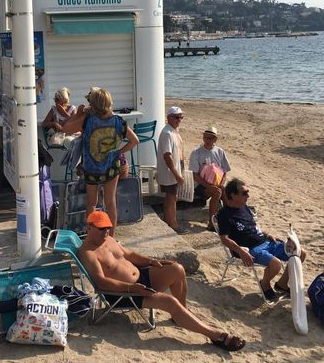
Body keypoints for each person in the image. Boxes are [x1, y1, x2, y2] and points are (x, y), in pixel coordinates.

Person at [79, 211, 246, 352]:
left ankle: (181, 315)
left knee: (177, 269)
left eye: (107, 227)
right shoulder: (88, 253)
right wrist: (133, 288)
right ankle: (215, 336)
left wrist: (150, 261)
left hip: (141, 279)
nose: (105, 232)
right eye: (101, 229)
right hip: (124, 293)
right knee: (170, 301)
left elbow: (129, 255)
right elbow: (101, 283)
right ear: (89, 228)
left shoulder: (108, 239)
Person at [63, 87, 139, 236]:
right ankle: (111, 237)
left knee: (91, 203)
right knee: (110, 203)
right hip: (111, 167)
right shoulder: (118, 121)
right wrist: (118, 152)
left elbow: (65, 128)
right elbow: (134, 140)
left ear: (94, 104)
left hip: (91, 168)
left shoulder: (88, 120)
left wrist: (77, 114)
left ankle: (91, 235)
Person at [217, 178, 306, 302]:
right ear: (233, 195)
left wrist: (268, 234)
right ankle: (265, 284)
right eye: (244, 193)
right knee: (276, 264)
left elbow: (253, 226)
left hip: (266, 241)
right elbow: (224, 239)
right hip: (249, 249)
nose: (248, 195)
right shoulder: (224, 214)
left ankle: (282, 284)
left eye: (248, 192)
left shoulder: (243, 207)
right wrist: (241, 252)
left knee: (301, 253)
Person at [189, 126, 231, 231]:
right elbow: (195, 175)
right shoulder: (196, 152)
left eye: (210, 138)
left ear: (215, 139)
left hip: (216, 183)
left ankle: (229, 218)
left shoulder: (220, 151)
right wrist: (210, 186)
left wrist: (221, 183)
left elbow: (224, 171)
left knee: (225, 192)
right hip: (200, 185)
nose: (207, 140)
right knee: (216, 193)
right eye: (205, 138)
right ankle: (211, 223)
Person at [156, 106, 186, 232]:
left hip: (174, 171)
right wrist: (176, 174)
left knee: (172, 197)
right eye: (176, 117)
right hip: (170, 173)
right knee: (171, 197)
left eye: (181, 117)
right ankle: (173, 224)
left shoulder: (174, 131)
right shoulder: (167, 133)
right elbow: (167, 156)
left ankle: (169, 220)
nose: (179, 120)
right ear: (169, 117)